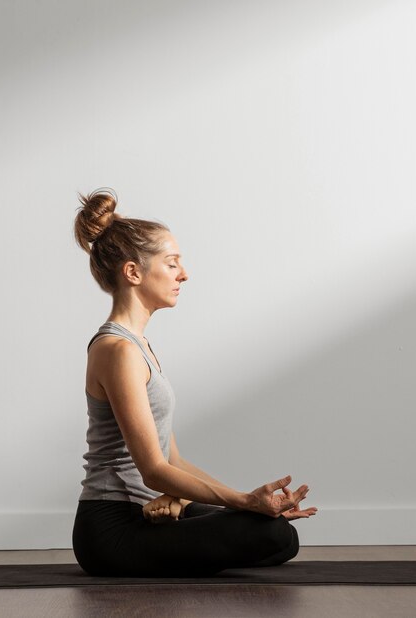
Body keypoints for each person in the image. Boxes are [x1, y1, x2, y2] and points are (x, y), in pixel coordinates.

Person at [71, 188, 317, 577]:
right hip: (112, 529)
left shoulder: (139, 347)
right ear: (133, 272)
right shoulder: (116, 351)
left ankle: (175, 512)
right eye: (172, 263)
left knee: (276, 530)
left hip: (150, 509)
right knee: (273, 536)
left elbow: (173, 461)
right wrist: (245, 502)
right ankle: (175, 517)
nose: (184, 273)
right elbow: (152, 470)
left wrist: (216, 499)